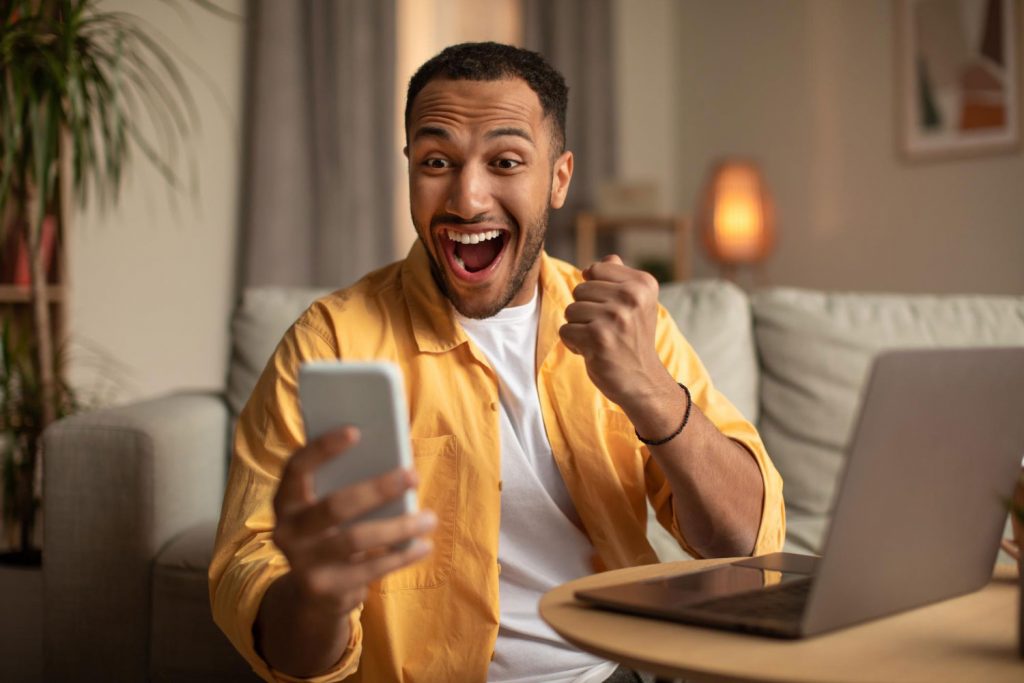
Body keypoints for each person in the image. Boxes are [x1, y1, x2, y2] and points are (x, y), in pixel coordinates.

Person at [210, 42, 785, 683]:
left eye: (505, 161)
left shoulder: (629, 329)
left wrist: (649, 387)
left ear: (558, 179)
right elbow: (260, 602)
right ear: (408, 170)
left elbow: (747, 547)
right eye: (436, 161)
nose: (467, 198)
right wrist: (318, 594)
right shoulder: (328, 342)